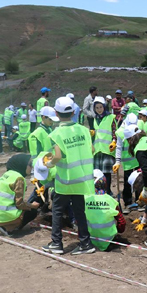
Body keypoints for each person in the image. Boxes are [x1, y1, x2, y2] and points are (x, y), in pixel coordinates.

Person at [42, 96, 96, 255]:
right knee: (80, 211)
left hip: (65, 180)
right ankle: (86, 243)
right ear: (73, 112)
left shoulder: (56, 133)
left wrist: (48, 164)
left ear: (56, 114)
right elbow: (92, 150)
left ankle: (56, 243)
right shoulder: (84, 130)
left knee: (57, 210)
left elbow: (57, 156)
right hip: (81, 178)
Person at [0, 154, 40, 236]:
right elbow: (19, 204)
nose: (31, 167)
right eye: (29, 164)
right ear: (22, 165)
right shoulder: (19, 178)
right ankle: (10, 228)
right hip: (3, 215)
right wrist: (32, 205)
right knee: (32, 212)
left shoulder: (7, 174)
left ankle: (0, 225)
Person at [85, 169, 126, 251]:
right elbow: (122, 221)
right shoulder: (111, 200)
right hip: (109, 239)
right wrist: (120, 230)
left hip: (89, 238)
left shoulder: (85, 199)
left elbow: (78, 220)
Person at [113, 113, 140, 214]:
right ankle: (128, 202)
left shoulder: (138, 129)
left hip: (138, 160)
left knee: (139, 181)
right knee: (128, 182)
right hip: (127, 163)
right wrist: (117, 161)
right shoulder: (120, 132)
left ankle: (139, 201)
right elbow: (119, 147)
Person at [92, 96, 117, 195]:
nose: (99, 110)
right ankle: (98, 190)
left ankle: (108, 191)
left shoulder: (111, 117)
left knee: (107, 172)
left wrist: (114, 140)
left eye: (100, 107)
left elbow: (115, 131)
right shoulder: (95, 119)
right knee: (98, 172)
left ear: (104, 107)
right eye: (96, 108)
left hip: (107, 149)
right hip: (97, 150)